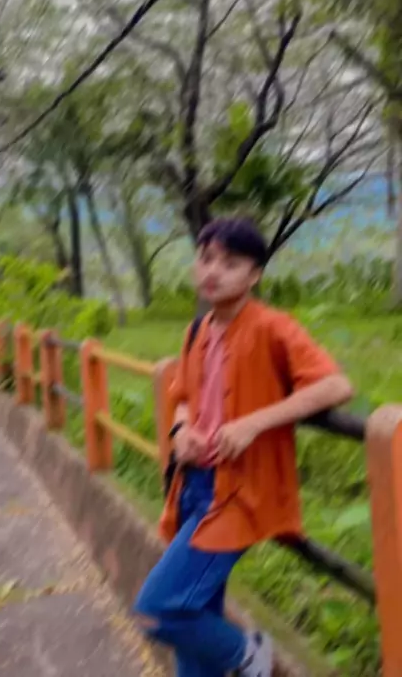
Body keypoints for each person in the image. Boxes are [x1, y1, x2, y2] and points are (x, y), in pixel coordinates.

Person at [134, 217, 353, 677]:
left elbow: (336, 386)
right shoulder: (197, 331)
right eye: (206, 258)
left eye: (230, 263)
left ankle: (255, 660)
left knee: (159, 609)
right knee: (195, 612)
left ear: (254, 274)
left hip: (237, 495)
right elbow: (182, 397)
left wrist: (255, 422)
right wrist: (181, 431)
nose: (213, 271)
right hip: (193, 486)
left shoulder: (273, 328)